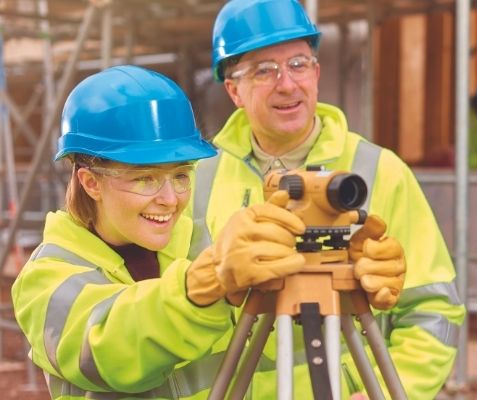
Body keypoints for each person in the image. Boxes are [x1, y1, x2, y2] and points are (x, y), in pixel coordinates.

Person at [200, 0, 463, 398]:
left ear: (317, 73)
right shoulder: (196, 177)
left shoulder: (378, 171)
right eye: (264, 70)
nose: (286, 84)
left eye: (298, 64)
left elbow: (434, 310)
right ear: (234, 90)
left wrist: (396, 391)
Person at [12, 66, 313, 398]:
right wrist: (199, 289)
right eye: (146, 178)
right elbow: (110, 346)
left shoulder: (203, 243)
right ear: (91, 182)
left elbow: (275, 353)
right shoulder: (46, 277)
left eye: (181, 175)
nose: (170, 200)